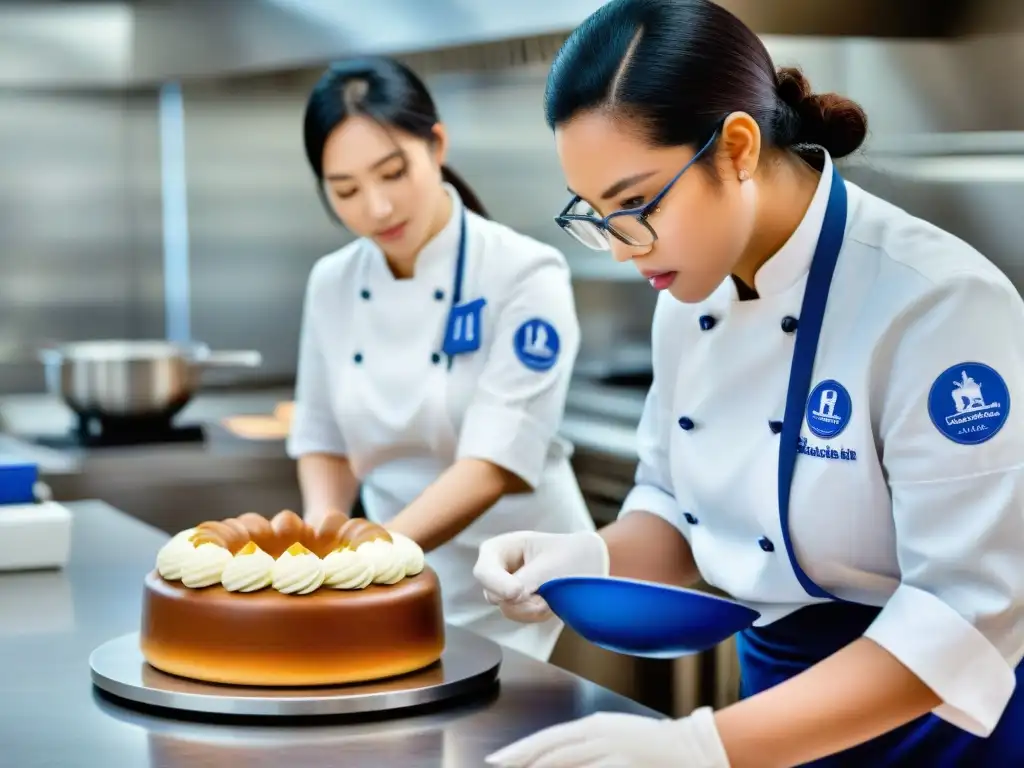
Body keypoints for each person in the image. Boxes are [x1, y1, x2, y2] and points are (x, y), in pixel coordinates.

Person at [473, 0, 1024, 765]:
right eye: (598, 214)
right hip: (773, 713)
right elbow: (676, 506)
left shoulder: (939, 304)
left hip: (934, 731)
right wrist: (588, 559)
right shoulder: (685, 286)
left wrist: (701, 745)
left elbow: (961, 613)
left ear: (736, 146)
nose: (625, 248)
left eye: (635, 204)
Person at [286, 55, 595, 662]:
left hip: (533, 589)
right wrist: (323, 543)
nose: (375, 208)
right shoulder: (332, 282)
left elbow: (494, 462)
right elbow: (322, 436)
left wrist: (373, 557)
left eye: (393, 173)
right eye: (345, 190)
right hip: (395, 590)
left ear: (437, 144)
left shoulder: (523, 273)